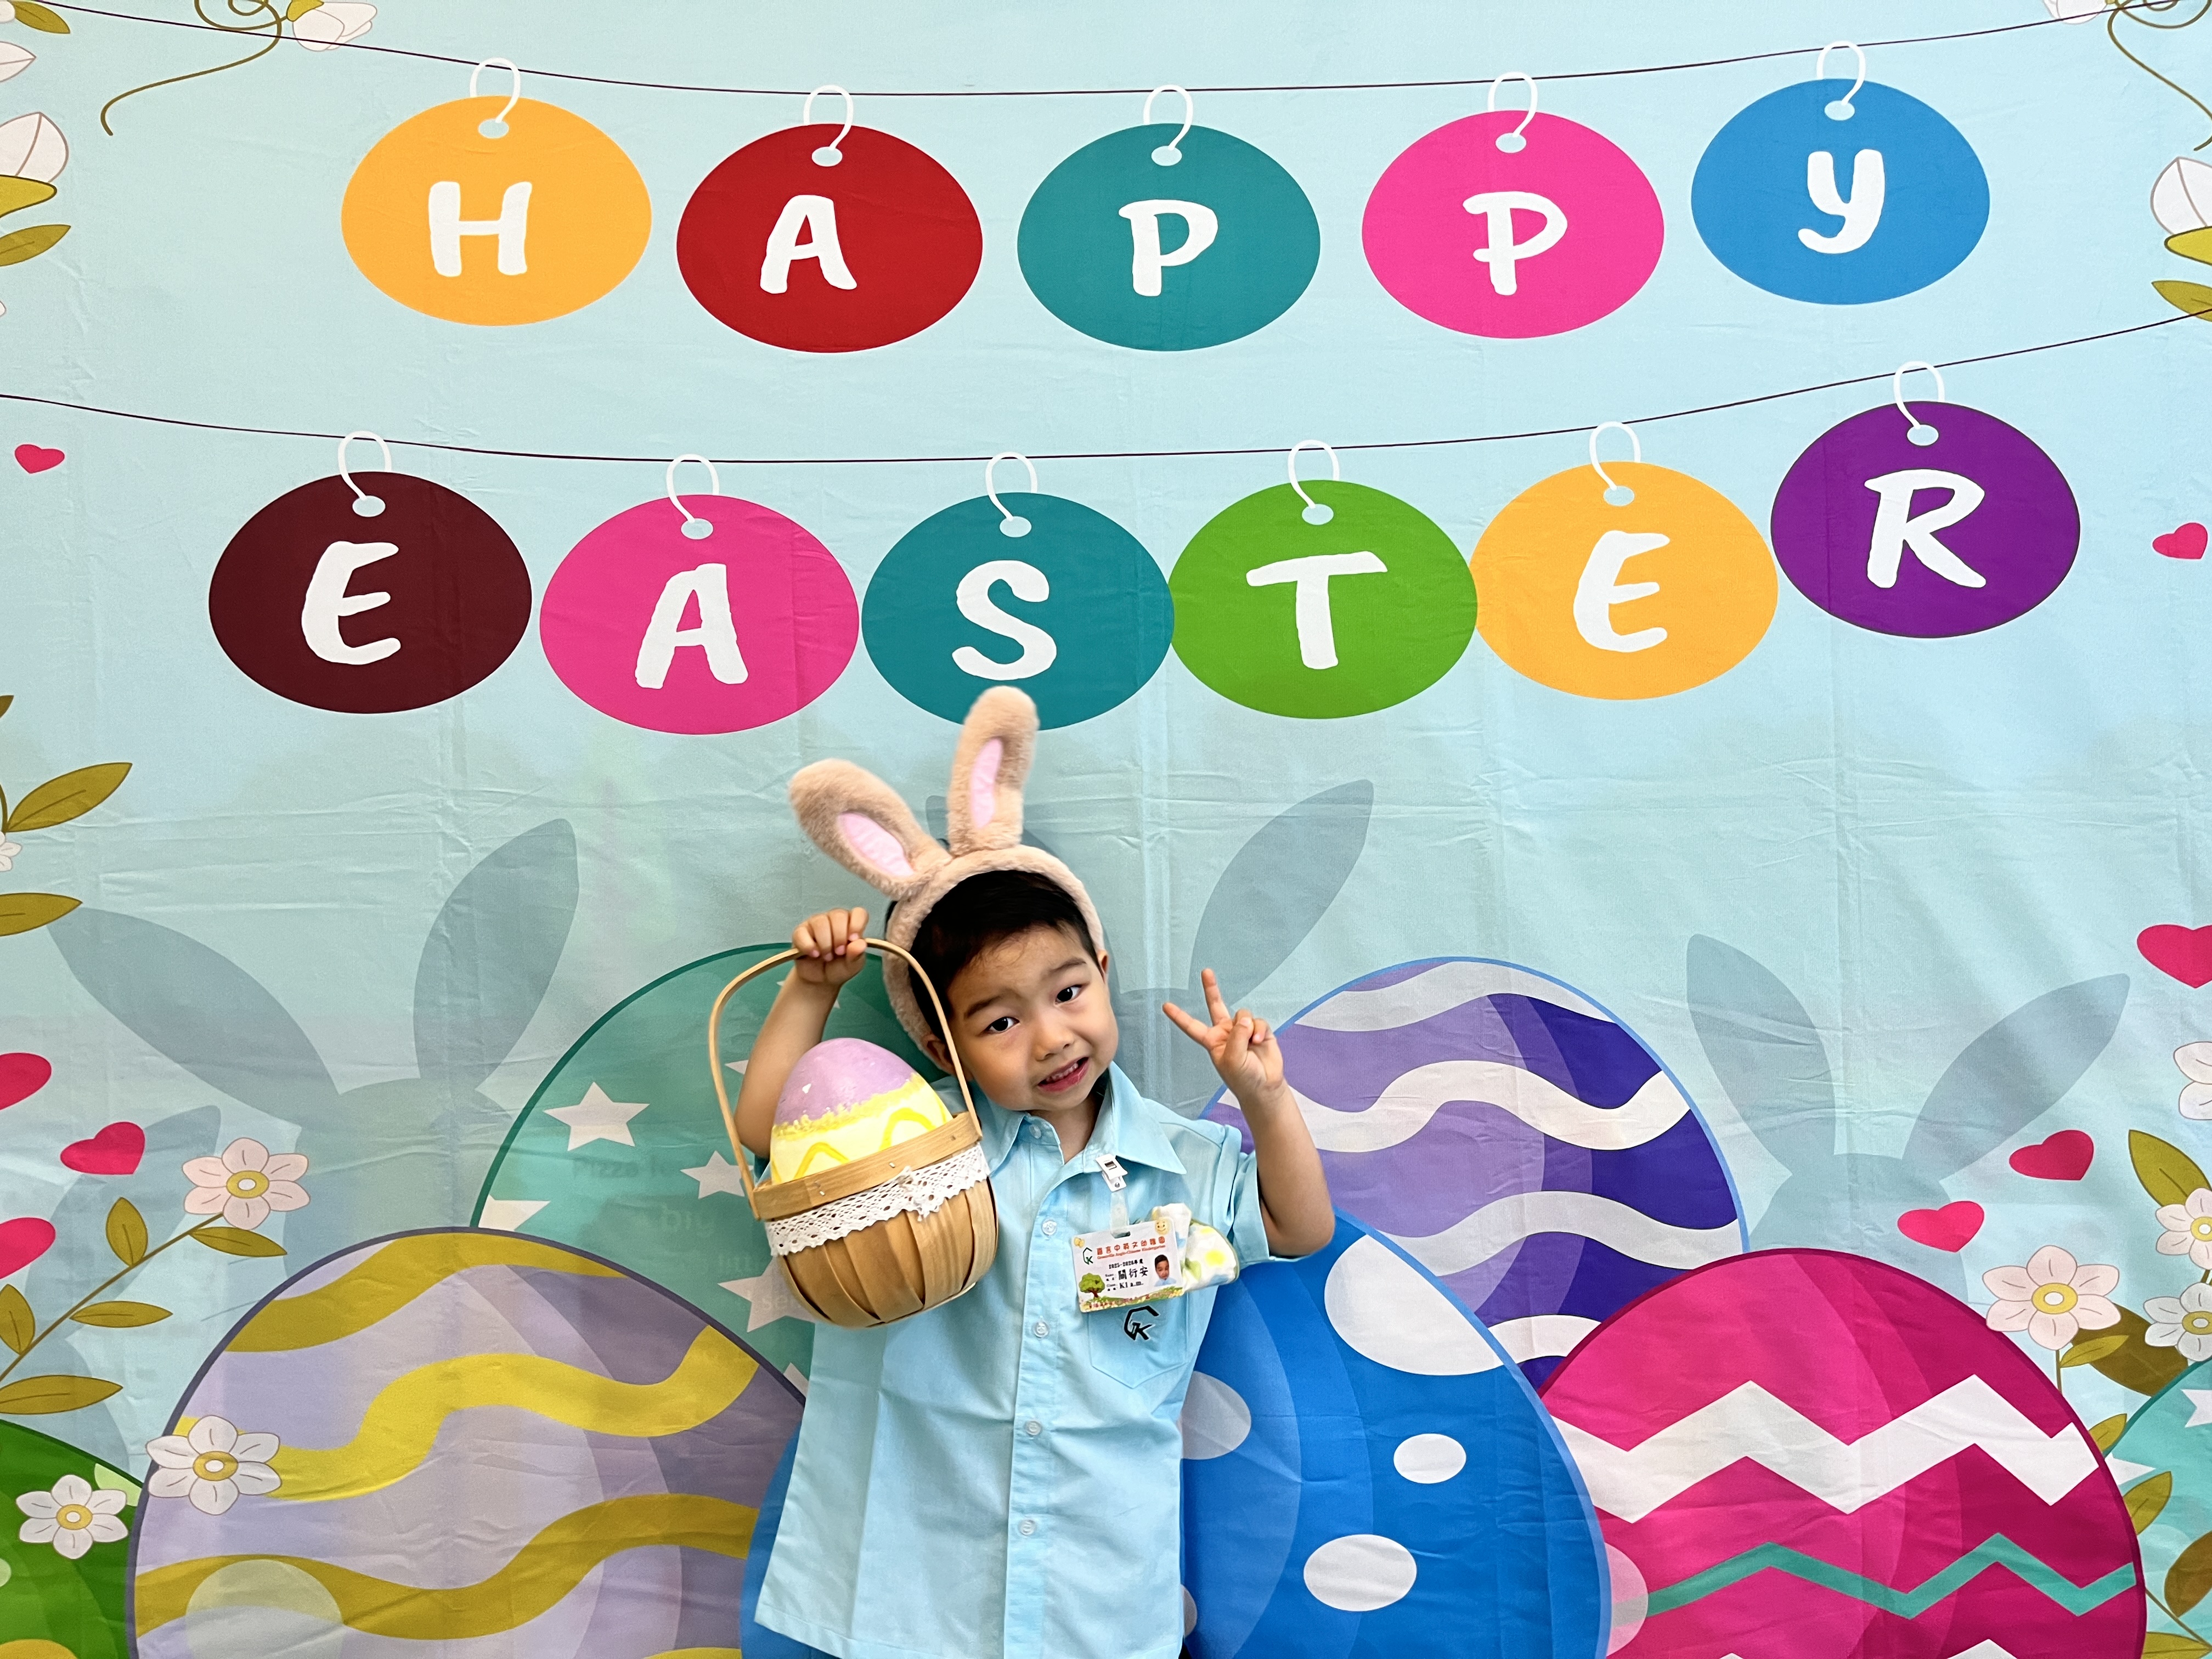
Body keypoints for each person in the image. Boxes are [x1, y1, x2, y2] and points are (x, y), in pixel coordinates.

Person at [734, 687, 1333, 1659]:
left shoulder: (1182, 1160)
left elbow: (1300, 1228)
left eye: (1069, 992)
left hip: (1095, 1582)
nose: (1051, 1038)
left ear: (1103, 968)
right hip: (914, 1574)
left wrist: (1266, 1098)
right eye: (1001, 1021)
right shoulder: (917, 1140)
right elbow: (770, 1132)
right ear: (943, 1044)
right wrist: (811, 990)